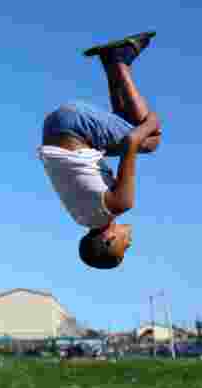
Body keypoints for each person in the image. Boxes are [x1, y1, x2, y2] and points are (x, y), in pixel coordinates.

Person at [39, 32, 162, 269]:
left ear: (108, 240)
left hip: (73, 125)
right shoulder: (80, 217)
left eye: (124, 248)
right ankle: (110, 61)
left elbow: (131, 142)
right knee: (124, 123)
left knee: (151, 141)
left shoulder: (118, 204)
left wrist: (153, 123)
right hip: (54, 128)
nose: (130, 244)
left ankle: (119, 62)